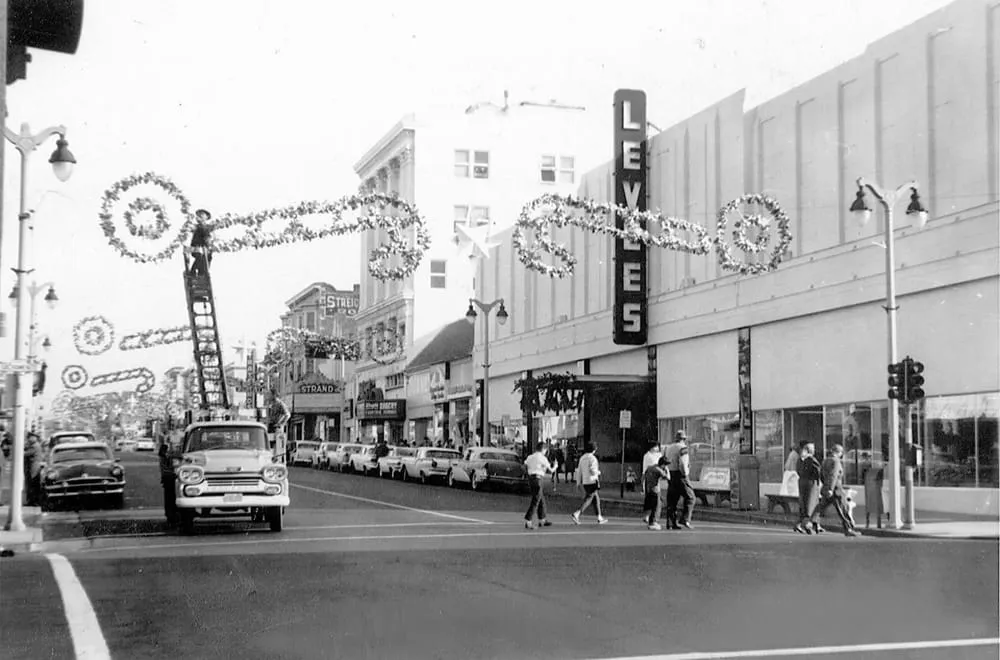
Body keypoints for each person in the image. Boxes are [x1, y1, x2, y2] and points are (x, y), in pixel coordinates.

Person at [814, 444, 860, 537]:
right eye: (841, 453)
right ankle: (848, 529)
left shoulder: (825, 460)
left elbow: (821, 474)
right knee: (843, 509)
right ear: (838, 452)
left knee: (820, 507)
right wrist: (831, 488)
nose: (841, 455)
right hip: (835, 489)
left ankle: (809, 522)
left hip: (827, 487)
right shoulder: (836, 461)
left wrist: (826, 486)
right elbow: (833, 476)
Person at [570, 440, 607, 525]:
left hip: (585, 481)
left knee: (596, 498)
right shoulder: (593, 458)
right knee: (589, 498)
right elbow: (593, 471)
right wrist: (599, 472)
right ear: (594, 449)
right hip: (593, 481)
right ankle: (577, 513)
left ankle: (599, 517)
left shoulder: (582, 458)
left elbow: (579, 471)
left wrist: (578, 482)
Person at [523, 441, 558, 530]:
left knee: (541, 498)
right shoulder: (542, 458)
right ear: (544, 449)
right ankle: (528, 520)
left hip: (531, 479)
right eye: (546, 451)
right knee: (536, 500)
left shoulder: (530, 457)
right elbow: (551, 470)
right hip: (539, 479)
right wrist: (556, 466)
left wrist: (529, 472)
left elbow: (524, 466)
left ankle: (542, 519)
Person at [665, 431, 695, 530]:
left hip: (670, 474)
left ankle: (670, 523)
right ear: (684, 439)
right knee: (690, 497)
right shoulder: (683, 448)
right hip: (680, 475)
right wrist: (685, 474)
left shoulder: (668, 448)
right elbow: (682, 463)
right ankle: (685, 519)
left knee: (672, 500)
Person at [793, 442, 822, 534]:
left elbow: (798, 471)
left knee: (805, 504)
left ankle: (814, 524)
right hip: (811, 484)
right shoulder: (811, 460)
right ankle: (808, 526)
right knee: (811, 505)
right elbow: (818, 471)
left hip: (802, 482)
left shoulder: (800, 460)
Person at [643, 456, 670, 530]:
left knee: (650, 504)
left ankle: (647, 516)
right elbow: (668, 478)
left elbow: (644, 476)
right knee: (657, 505)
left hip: (648, 489)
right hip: (655, 490)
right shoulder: (659, 470)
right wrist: (666, 470)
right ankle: (654, 522)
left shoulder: (650, 467)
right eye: (666, 465)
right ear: (663, 464)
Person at [640, 441, 664, 523]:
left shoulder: (659, 455)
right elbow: (644, 470)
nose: (657, 448)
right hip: (650, 478)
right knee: (649, 498)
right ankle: (648, 516)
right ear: (652, 447)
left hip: (657, 478)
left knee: (656, 498)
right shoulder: (647, 456)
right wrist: (642, 483)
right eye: (656, 446)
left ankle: (652, 516)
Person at [23, 432, 43, 506]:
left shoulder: (34, 446)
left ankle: (33, 501)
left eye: (30, 437)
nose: (28, 439)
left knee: (32, 484)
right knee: (32, 484)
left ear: (34, 438)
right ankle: (32, 500)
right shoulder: (35, 445)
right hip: (34, 467)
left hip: (33, 468)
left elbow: (25, 453)